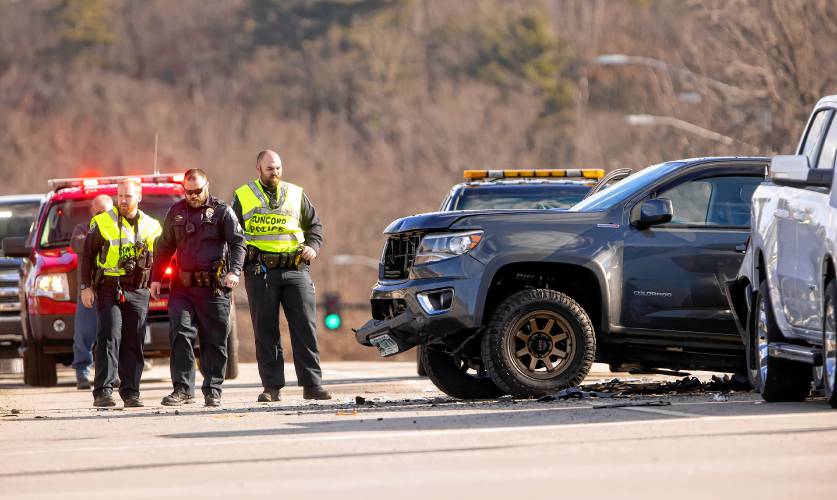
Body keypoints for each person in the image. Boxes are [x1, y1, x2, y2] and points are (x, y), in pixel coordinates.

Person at [232, 149, 331, 402]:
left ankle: (312, 385)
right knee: (265, 332)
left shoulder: (296, 193)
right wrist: (237, 266)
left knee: (305, 329)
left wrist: (313, 247)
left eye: (277, 168)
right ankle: (271, 387)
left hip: (296, 269)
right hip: (260, 271)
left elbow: (315, 227)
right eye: (269, 169)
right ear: (258, 169)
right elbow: (234, 236)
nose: (274, 173)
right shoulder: (243, 196)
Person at [150, 169, 246, 407]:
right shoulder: (176, 212)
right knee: (181, 333)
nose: (193, 196)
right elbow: (164, 246)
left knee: (214, 340)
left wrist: (234, 271)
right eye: (188, 191)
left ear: (207, 186)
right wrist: (156, 277)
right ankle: (182, 390)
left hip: (214, 288)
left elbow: (238, 243)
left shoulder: (222, 211)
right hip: (183, 287)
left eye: (197, 191)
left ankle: (213, 389)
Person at [79, 179, 162, 408]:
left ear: (139, 197)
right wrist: (86, 287)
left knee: (134, 340)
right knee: (109, 336)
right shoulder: (102, 221)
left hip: (138, 289)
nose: (123, 200)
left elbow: (162, 257)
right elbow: (86, 256)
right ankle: (103, 392)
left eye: (128, 196)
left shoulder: (152, 225)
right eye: (120, 196)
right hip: (109, 287)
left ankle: (131, 392)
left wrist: (158, 281)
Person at [70, 194, 112, 390]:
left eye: (107, 212)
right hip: (90, 290)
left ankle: (113, 373)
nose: (103, 215)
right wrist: (97, 235)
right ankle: (83, 373)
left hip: (111, 288)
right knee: (84, 334)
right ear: (92, 212)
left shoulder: (119, 227)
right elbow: (78, 244)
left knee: (112, 333)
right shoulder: (82, 230)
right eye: (99, 212)